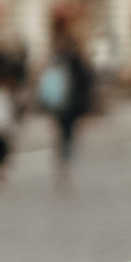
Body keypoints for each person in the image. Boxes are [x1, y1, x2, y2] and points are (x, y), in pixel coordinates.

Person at [40, 29, 96, 171]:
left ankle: (62, 155)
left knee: (62, 131)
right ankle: (66, 156)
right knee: (68, 132)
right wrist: (87, 108)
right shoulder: (78, 61)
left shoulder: (57, 60)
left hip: (60, 104)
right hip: (71, 105)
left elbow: (46, 83)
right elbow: (87, 84)